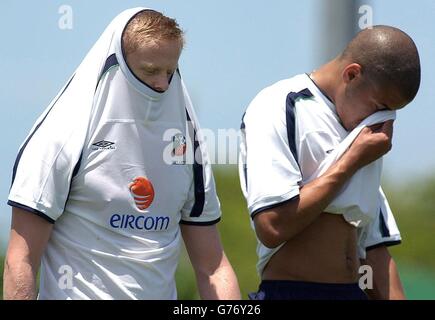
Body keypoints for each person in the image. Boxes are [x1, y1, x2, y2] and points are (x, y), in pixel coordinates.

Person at [4, 8, 240, 300]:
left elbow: (213, 268)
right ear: (120, 62)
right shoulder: (61, 136)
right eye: (151, 70)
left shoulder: (187, 145)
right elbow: (20, 261)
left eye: (170, 71)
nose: (163, 84)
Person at [239, 25, 421, 300]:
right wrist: (351, 161)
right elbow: (273, 226)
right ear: (352, 74)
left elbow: (374, 249)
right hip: (292, 292)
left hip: (352, 292)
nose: (385, 122)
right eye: (379, 105)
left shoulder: (365, 132)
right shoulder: (279, 104)